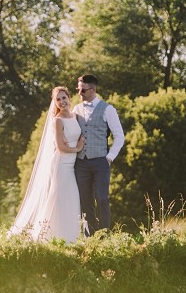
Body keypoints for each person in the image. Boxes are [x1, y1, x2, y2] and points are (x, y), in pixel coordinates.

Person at [9, 85, 84, 243]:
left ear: (69, 98)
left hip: (72, 164)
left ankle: (71, 238)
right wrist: (77, 148)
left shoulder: (75, 116)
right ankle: (48, 236)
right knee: (60, 198)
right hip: (61, 165)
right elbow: (60, 147)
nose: (62, 101)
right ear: (55, 103)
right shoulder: (58, 121)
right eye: (58, 99)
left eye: (64, 97)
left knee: (72, 198)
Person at [72, 73, 125, 233]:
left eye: (83, 90)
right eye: (78, 90)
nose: (79, 93)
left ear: (93, 89)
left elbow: (119, 136)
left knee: (102, 199)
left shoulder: (108, 109)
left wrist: (109, 158)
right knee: (85, 202)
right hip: (81, 163)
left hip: (101, 162)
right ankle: (90, 239)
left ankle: (104, 235)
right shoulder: (76, 109)